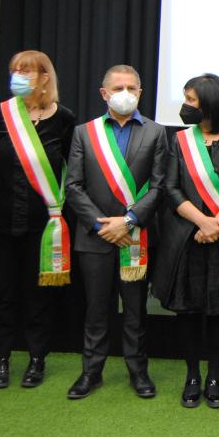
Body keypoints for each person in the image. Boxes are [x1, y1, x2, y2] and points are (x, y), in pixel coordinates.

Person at [153, 73, 219, 410]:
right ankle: (192, 376)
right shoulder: (180, 140)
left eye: (191, 100)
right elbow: (170, 188)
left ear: (210, 102)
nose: (185, 106)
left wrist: (216, 224)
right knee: (187, 309)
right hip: (187, 237)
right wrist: (202, 222)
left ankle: (214, 377)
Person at [64, 65, 168, 400]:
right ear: (104, 93)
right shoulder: (84, 133)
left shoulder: (156, 132)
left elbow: (160, 186)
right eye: (118, 88)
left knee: (136, 311)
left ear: (140, 93)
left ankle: (138, 371)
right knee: (96, 310)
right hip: (94, 237)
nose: (125, 93)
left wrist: (129, 221)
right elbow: (74, 186)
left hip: (136, 236)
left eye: (131, 88)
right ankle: (91, 372)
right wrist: (101, 225)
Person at [0, 51, 76, 390]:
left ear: (45, 77)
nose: (17, 75)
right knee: (0, 292)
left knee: (39, 295)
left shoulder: (64, 118)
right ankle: (1, 359)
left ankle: (37, 359)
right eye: (14, 70)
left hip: (43, 225)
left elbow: (71, 171)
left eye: (26, 70)